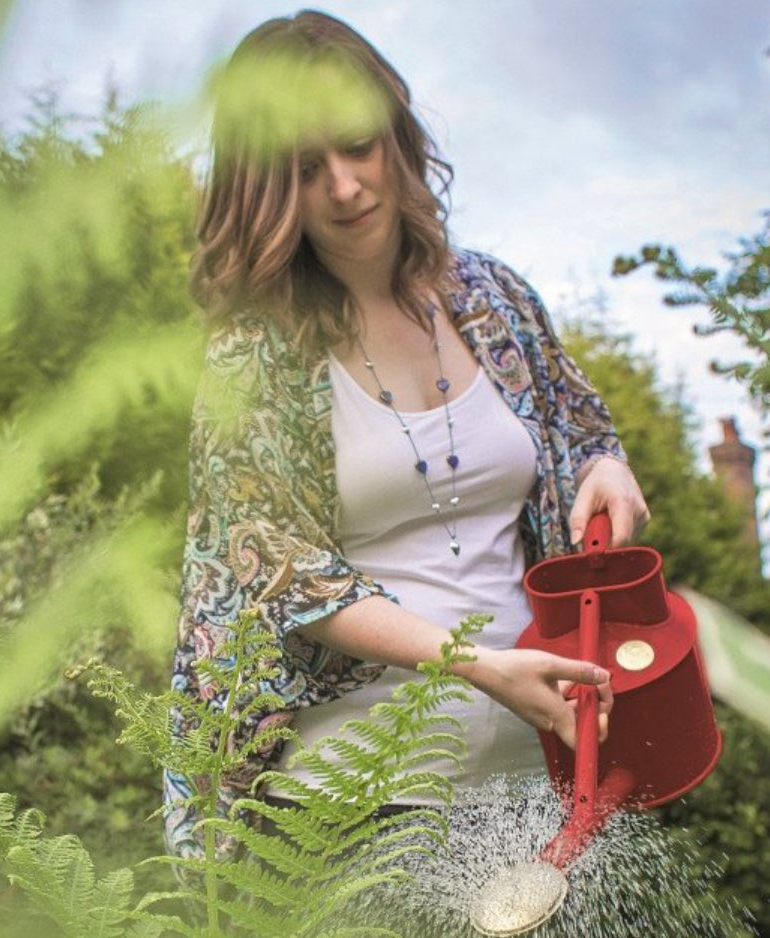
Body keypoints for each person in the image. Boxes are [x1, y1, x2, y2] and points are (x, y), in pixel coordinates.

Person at [164, 9, 649, 863]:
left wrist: (608, 464)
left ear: (396, 133)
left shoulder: (495, 299)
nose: (346, 187)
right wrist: (477, 665)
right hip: (349, 810)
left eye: (357, 146)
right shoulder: (254, 355)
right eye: (306, 168)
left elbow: (580, 428)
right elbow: (274, 564)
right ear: (266, 188)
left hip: (536, 791)